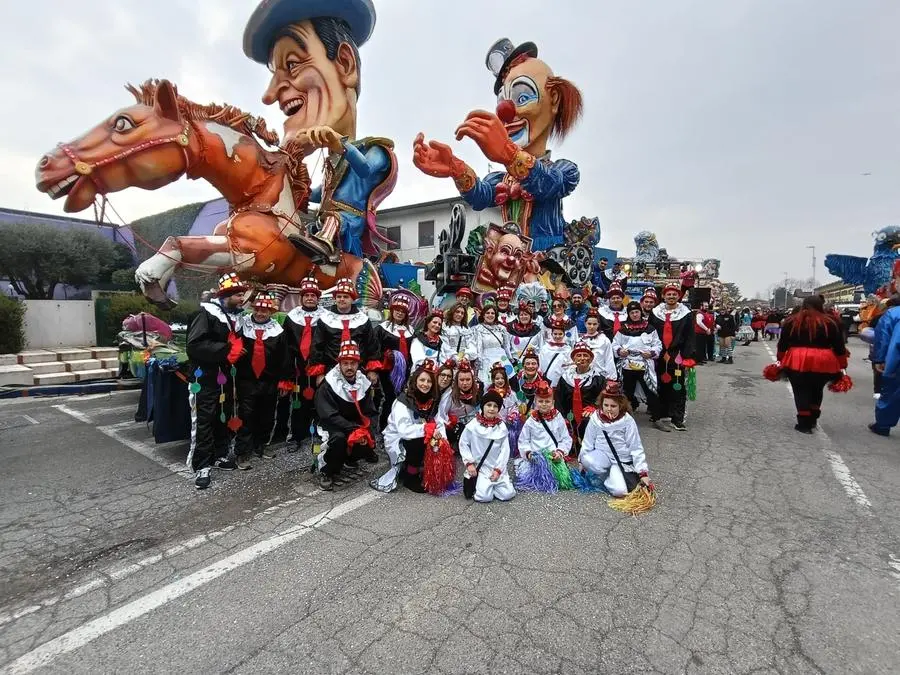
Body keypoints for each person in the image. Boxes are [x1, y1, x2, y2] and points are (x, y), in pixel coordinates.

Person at [244, 0, 397, 263]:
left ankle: (324, 242)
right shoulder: (330, 163)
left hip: (347, 221)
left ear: (345, 65)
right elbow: (318, 194)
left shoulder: (376, 150)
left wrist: (340, 144)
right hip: (324, 219)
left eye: (292, 64)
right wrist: (295, 187)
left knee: (335, 220)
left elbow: (366, 170)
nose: (269, 95)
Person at [186, 272, 248, 489]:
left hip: (225, 379)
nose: (243, 299)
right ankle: (201, 465)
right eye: (239, 295)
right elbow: (194, 345)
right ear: (227, 295)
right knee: (204, 420)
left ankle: (220, 455)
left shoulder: (235, 317)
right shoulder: (206, 313)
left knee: (224, 415)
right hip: (206, 379)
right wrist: (227, 350)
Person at [232, 293, 293, 469]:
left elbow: (285, 358)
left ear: (270, 312)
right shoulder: (242, 327)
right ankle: (242, 452)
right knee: (246, 416)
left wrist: (285, 380)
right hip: (246, 380)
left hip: (269, 380)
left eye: (264, 310)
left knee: (267, 416)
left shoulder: (278, 331)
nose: (260, 313)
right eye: (258, 309)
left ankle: (261, 445)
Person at [776, 295, 848, 433]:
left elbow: (783, 343)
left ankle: (804, 423)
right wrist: (842, 363)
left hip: (797, 358)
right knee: (817, 388)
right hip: (823, 359)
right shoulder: (830, 322)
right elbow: (839, 345)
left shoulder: (792, 321)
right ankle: (813, 417)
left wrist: (780, 358)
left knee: (800, 389)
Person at [372, 359, 445, 493]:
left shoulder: (432, 400)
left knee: (439, 441)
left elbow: (438, 421)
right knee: (417, 442)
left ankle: (422, 469)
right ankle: (410, 477)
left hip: (419, 432)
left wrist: (441, 436)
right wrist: (427, 429)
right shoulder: (403, 402)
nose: (425, 384)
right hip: (399, 439)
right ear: (415, 381)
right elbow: (404, 431)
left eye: (429, 381)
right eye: (422, 380)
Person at [314, 340, 378, 490]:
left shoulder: (363, 382)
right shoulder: (329, 383)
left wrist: (367, 429)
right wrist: (352, 428)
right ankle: (327, 471)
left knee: (368, 437)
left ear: (358, 364)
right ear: (340, 364)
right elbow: (328, 414)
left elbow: (370, 411)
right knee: (338, 440)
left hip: (354, 424)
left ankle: (350, 459)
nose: (349, 367)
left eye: (353, 363)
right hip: (332, 424)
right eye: (345, 363)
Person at [579, 384, 652, 497]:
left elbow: (635, 447)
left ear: (620, 406)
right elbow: (588, 441)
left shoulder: (627, 421)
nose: (609, 409)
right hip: (602, 455)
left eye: (613, 406)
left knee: (620, 492)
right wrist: (581, 463)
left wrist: (643, 473)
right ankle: (604, 474)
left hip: (620, 460)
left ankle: (611, 477)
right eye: (606, 405)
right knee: (587, 460)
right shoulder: (595, 418)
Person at [280, 277, 325, 453]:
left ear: (317, 298)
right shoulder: (292, 318)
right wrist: (287, 374)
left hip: (319, 368)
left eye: (313, 295)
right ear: (301, 297)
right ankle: (297, 436)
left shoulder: (325, 317)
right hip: (298, 368)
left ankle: (321, 434)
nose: (309, 298)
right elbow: (286, 347)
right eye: (306, 295)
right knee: (298, 404)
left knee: (321, 402)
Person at [308, 277, 381, 384]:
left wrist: (372, 370)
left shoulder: (363, 319)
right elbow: (317, 347)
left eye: (346, 296)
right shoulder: (325, 319)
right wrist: (320, 373)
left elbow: (372, 345)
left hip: (358, 370)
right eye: (339, 296)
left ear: (352, 299)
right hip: (331, 370)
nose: (342, 299)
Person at [649, 283, 696, 431]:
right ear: (663, 296)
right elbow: (649, 333)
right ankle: (662, 413)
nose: (671, 296)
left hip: (678, 354)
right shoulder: (655, 312)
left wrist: (688, 356)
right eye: (668, 294)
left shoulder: (686, 314)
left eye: (674, 294)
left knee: (678, 385)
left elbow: (690, 336)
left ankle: (677, 418)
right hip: (659, 353)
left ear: (679, 296)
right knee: (659, 384)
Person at [613, 301, 666, 431]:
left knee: (651, 391)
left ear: (640, 312)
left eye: (637, 312)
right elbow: (614, 345)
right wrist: (620, 351)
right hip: (627, 365)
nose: (635, 315)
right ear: (628, 314)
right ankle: (624, 418)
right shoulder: (622, 329)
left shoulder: (650, 328)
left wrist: (652, 353)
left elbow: (658, 345)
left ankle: (657, 418)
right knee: (626, 392)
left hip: (645, 365)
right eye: (632, 312)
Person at [459, 391, 516, 503]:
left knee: (508, 494)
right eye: (489, 405)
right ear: (483, 406)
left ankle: (493, 486)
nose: (491, 409)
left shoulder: (501, 427)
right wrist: (469, 463)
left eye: (495, 406)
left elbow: (505, 450)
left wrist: (498, 469)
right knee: (484, 497)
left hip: (496, 466)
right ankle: (484, 486)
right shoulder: (473, 425)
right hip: (481, 468)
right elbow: (463, 444)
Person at [515, 381, 572, 483]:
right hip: (536, 458)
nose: (544, 404)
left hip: (553, 458)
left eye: (547, 401)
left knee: (560, 479)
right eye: (540, 401)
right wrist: (529, 454)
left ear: (553, 403)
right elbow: (523, 440)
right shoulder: (531, 420)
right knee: (526, 475)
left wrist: (560, 452)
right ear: (535, 402)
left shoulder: (558, 418)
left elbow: (565, 438)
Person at [375, 291, 414, 431]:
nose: (399, 313)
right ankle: (384, 427)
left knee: (403, 398)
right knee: (389, 397)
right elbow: (374, 348)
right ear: (392, 311)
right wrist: (386, 355)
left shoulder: (410, 331)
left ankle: (400, 426)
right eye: (397, 310)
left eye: (402, 311)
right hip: (387, 371)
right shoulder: (381, 328)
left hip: (405, 371)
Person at [555, 340, 607, 444]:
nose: (582, 358)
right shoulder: (565, 378)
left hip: (588, 416)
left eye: (585, 355)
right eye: (578, 355)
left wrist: (595, 407)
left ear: (591, 359)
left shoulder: (598, 379)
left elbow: (604, 398)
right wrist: (562, 417)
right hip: (569, 416)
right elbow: (558, 399)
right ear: (574, 359)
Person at [870, 297, 900, 435]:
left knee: (891, 392)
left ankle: (883, 425)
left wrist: (879, 359)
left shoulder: (892, 314)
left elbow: (882, 338)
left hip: (896, 360)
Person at [437, 358, 482, 446]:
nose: (465, 383)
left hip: (473, 422)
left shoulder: (479, 391)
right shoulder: (450, 393)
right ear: (457, 380)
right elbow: (442, 414)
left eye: (468, 380)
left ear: (472, 380)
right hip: (456, 425)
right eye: (461, 380)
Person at [467, 304, 514, 387]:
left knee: (509, 383)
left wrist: (511, 359)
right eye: (487, 313)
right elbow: (478, 347)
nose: (490, 315)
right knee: (488, 385)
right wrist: (478, 365)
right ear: (483, 315)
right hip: (486, 361)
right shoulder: (477, 329)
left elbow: (506, 346)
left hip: (503, 359)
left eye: (492, 313)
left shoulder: (501, 328)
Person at [577, 308, 617, 381]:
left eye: (594, 324)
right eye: (589, 324)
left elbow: (609, 359)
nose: (592, 327)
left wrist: (611, 378)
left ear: (598, 324)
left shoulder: (605, 340)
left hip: (600, 376)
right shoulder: (579, 340)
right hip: (582, 376)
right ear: (585, 324)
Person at [539, 318, 571, 386]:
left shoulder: (568, 349)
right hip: (547, 379)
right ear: (551, 334)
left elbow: (569, 366)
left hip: (562, 381)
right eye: (555, 334)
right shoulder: (545, 348)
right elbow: (541, 364)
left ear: (564, 334)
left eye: (560, 334)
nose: (557, 336)